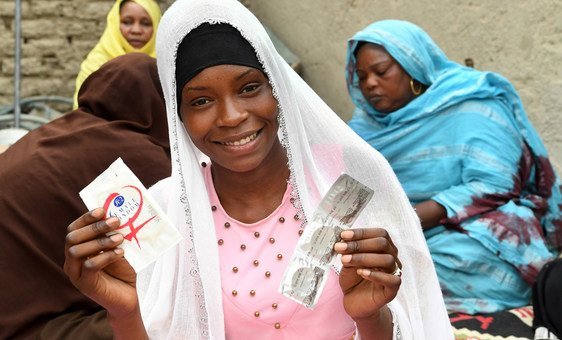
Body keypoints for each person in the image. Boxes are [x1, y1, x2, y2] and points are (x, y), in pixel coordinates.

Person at [64, 1, 452, 339]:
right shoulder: (164, 211)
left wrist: (371, 316)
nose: (232, 117)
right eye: (201, 100)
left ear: (278, 88)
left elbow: (421, 323)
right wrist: (124, 310)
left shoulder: (349, 180)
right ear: (177, 114)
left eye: (249, 88)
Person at [345, 19, 562, 315]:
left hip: (474, 222)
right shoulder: (362, 130)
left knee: (468, 259)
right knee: (363, 268)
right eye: (362, 76)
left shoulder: (473, 105)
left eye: (381, 71)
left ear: (415, 68)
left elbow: (496, 184)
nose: (370, 83)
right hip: (399, 232)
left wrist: (405, 222)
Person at [0, 53, 170, 339]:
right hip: (33, 326)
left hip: (16, 302)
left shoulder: (56, 131)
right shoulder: (141, 156)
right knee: (170, 315)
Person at [72, 0, 161, 108]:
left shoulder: (165, 65)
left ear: (157, 26)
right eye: (127, 22)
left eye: (145, 23)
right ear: (115, 23)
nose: (136, 30)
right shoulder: (97, 63)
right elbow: (83, 111)